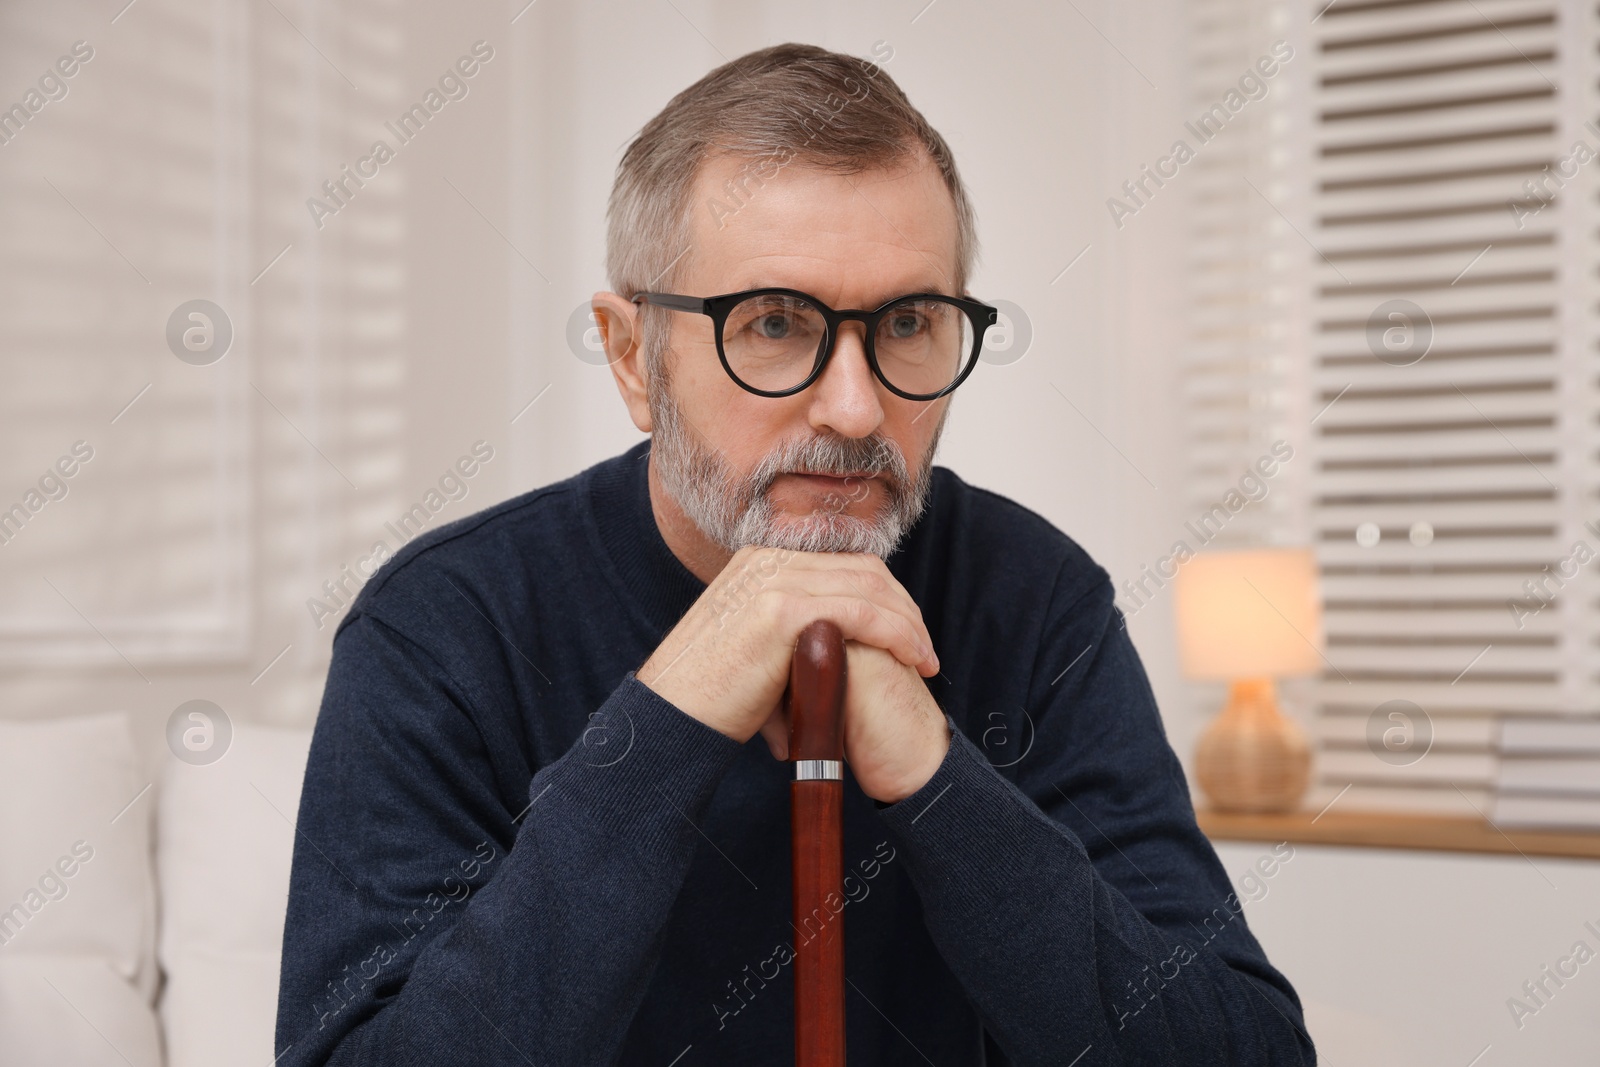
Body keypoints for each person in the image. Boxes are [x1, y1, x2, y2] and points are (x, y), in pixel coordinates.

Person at [275, 41, 1315, 1066]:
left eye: (909, 320)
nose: (856, 407)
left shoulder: (1034, 598)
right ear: (633, 355)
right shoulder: (443, 624)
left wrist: (934, 769)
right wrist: (670, 712)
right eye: (773, 322)